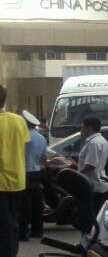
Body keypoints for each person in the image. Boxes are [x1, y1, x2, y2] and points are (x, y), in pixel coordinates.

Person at [0, 86, 30, 257]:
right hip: (18, 181)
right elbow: (23, 149)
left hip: (1, 182)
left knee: (4, 225)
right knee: (12, 221)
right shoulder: (19, 121)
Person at [19, 112, 46, 240]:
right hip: (37, 172)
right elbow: (43, 158)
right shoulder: (41, 138)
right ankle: (37, 230)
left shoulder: (23, 137)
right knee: (37, 203)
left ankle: (23, 232)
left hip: (25, 172)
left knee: (24, 204)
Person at [79, 117, 108, 214]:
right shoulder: (101, 140)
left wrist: (77, 174)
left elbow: (91, 165)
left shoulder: (93, 143)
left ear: (89, 128)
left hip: (93, 186)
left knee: (91, 216)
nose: (82, 130)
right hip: (100, 184)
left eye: (83, 127)